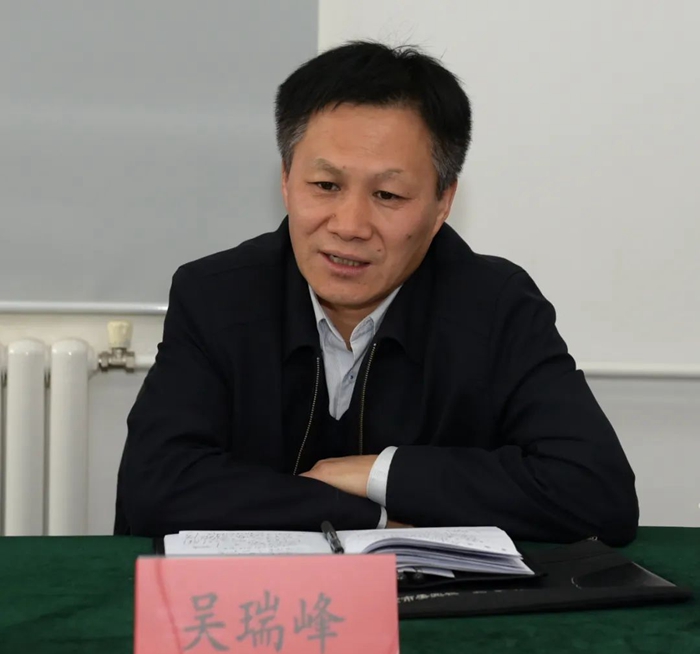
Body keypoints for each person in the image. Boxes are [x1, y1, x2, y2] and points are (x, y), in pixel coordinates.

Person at [115, 41, 638, 545]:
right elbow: (154, 486)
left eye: (388, 194)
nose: (350, 226)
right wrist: (373, 517)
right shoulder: (216, 296)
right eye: (326, 186)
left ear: (442, 203)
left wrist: (379, 473)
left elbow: (596, 491)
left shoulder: (496, 306)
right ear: (286, 179)